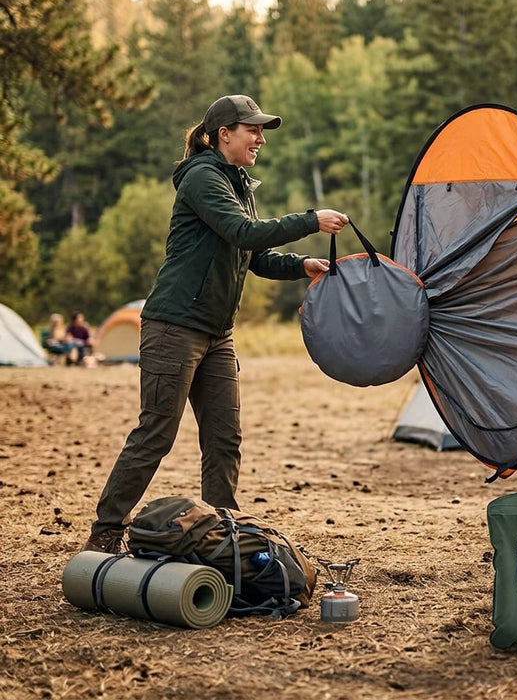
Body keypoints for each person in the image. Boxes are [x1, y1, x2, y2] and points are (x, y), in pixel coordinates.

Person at [82, 94, 349, 554]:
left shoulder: (237, 182)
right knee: (156, 433)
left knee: (224, 438)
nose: (260, 138)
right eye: (253, 129)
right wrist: (310, 220)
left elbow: (254, 254)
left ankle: (221, 532)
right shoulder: (203, 178)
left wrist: (301, 265)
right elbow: (243, 232)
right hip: (174, 325)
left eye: (262, 130)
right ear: (224, 134)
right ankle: (106, 529)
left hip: (216, 333)